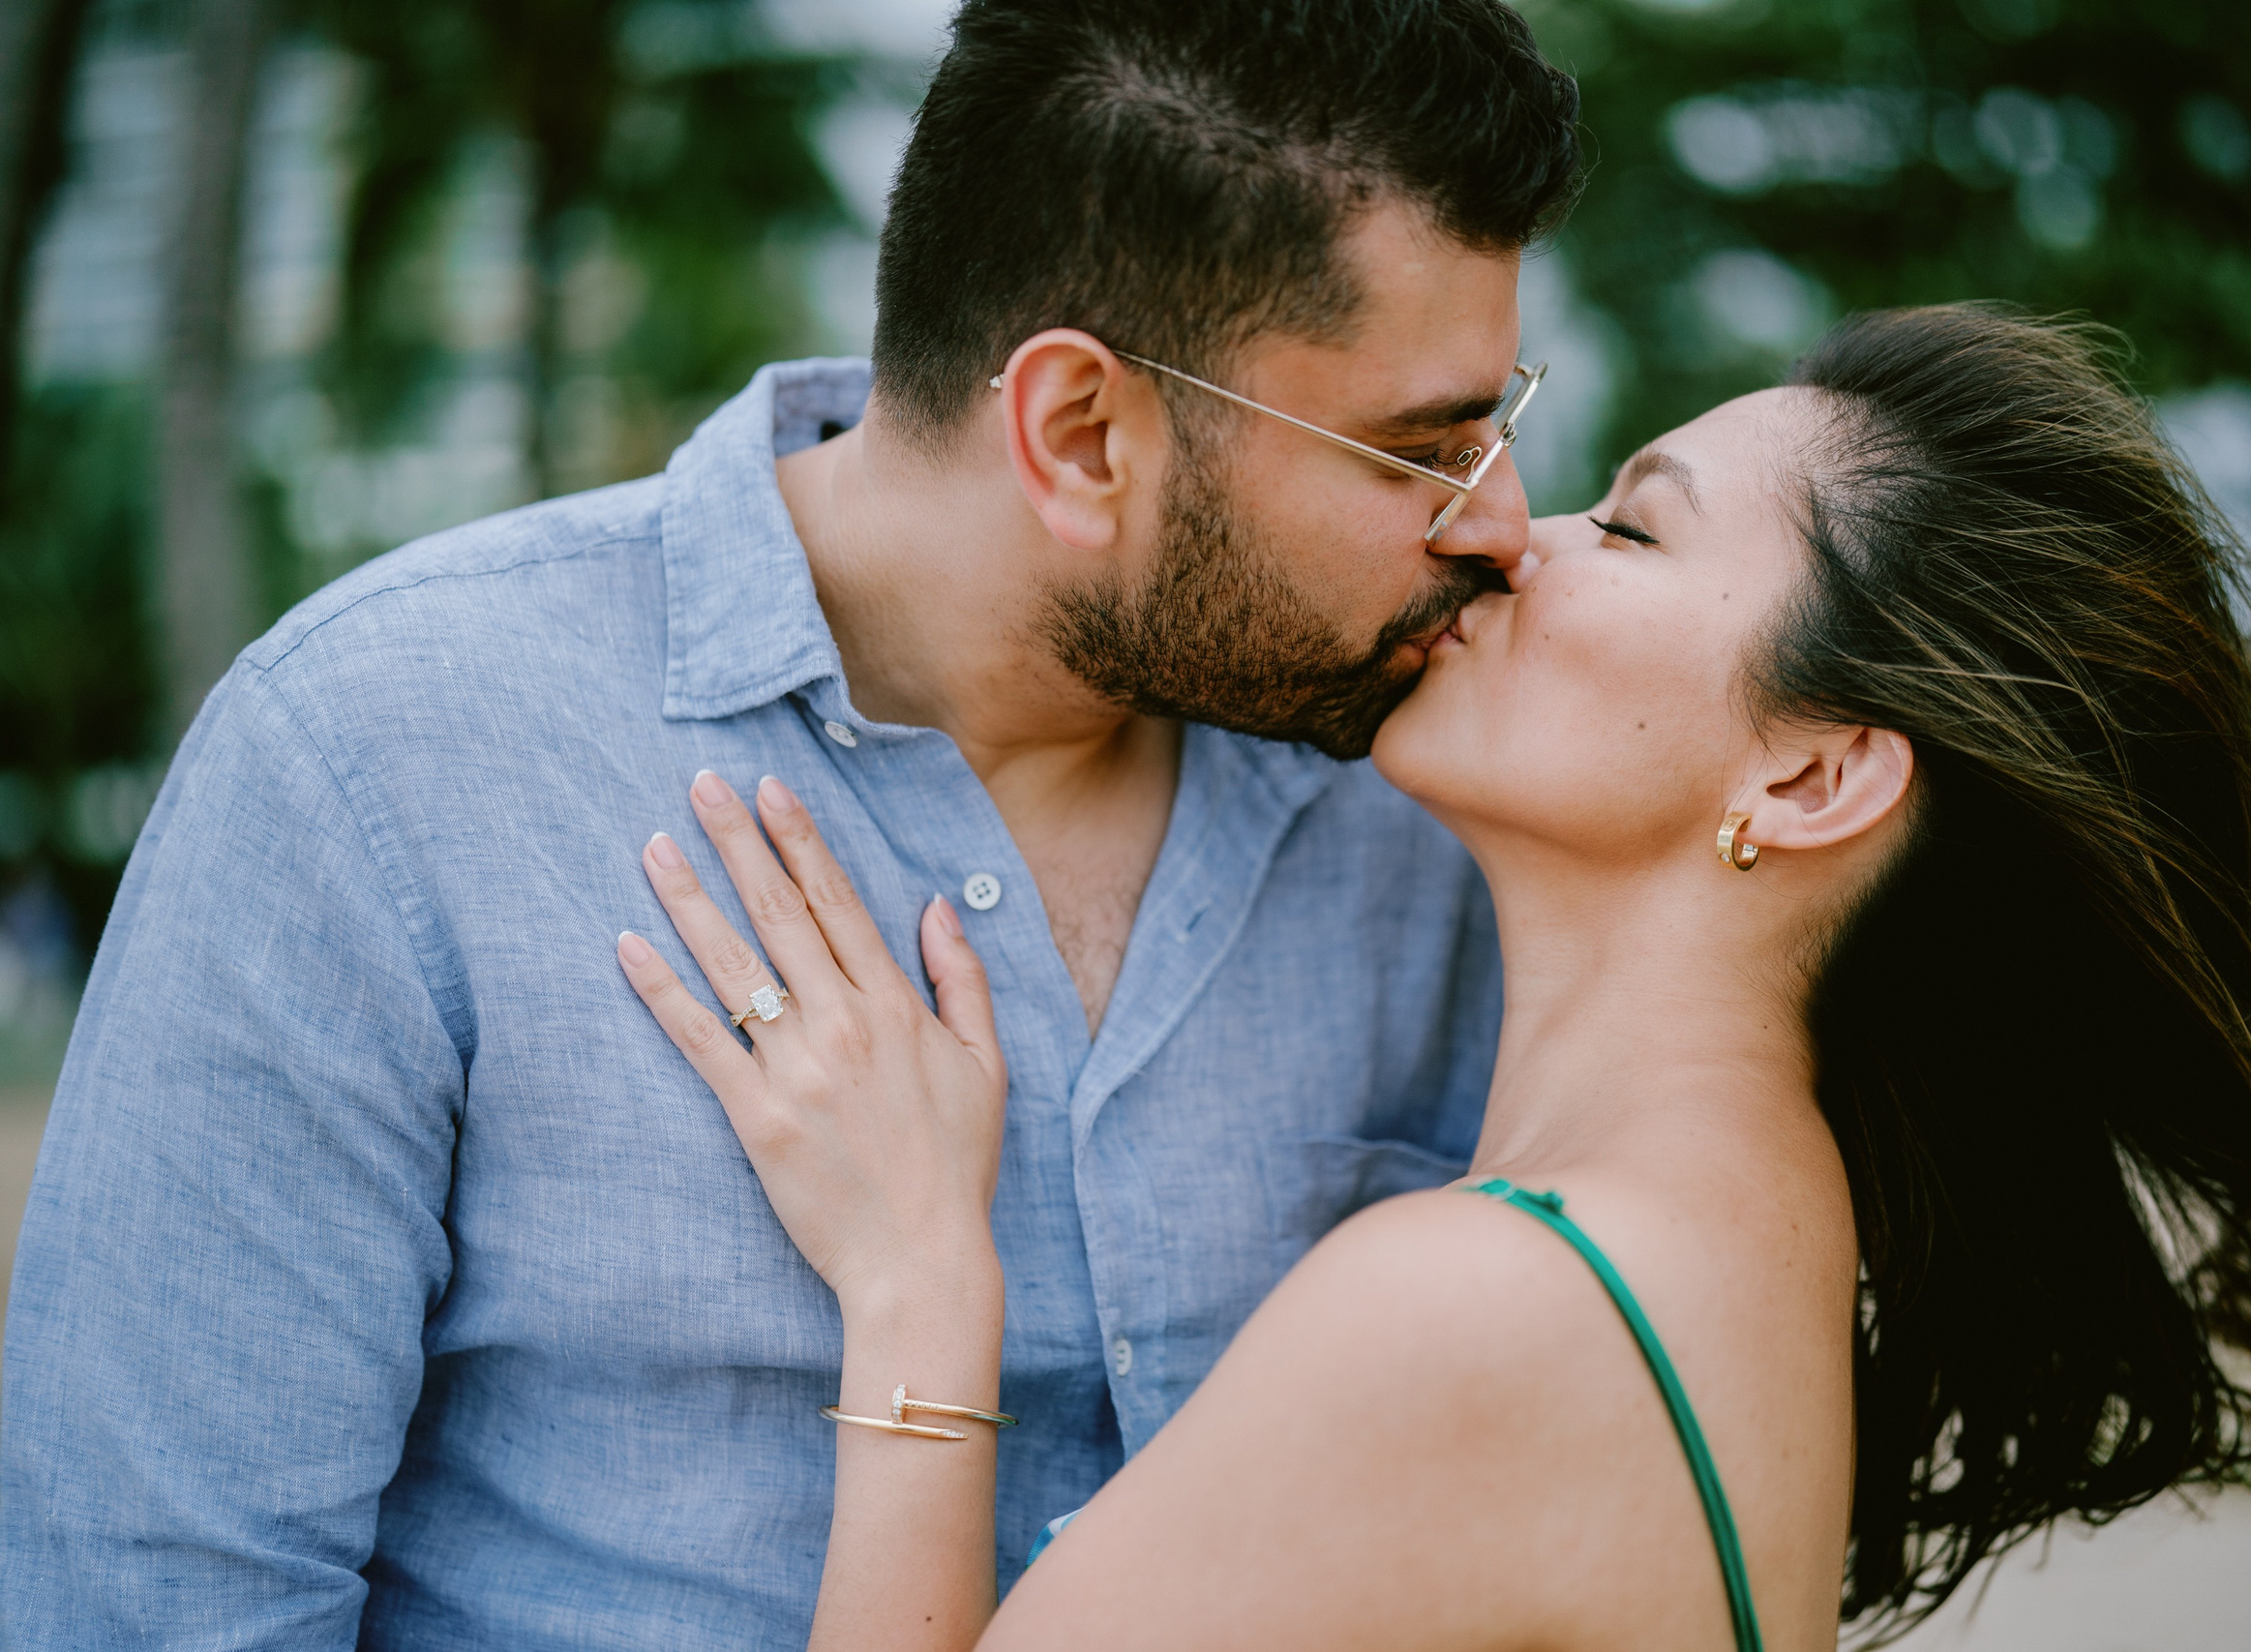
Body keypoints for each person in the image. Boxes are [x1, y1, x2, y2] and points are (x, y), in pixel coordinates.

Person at [0, 3, 1582, 1644]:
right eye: (1422, 451)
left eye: (1503, 423)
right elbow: (156, 1607)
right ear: (1080, 433)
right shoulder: (372, 764)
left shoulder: (1437, 806)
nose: (1503, 523)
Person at [619, 305, 2251, 1650]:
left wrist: (924, 1287)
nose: (1507, 532)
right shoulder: (1772, 1247)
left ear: (1812, 778)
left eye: (1635, 526)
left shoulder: (1482, 1312)